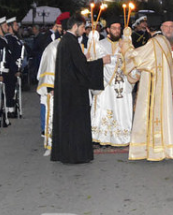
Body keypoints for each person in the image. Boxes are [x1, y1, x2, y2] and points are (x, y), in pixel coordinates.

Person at [52, 14, 108, 164]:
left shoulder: (67, 41)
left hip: (69, 89)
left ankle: (69, 153)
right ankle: (75, 155)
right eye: (83, 27)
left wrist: (85, 59)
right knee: (75, 124)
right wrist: (100, 62)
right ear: (75, 26)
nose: (84, 31)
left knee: (70, 123)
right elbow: (81, 68)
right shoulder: (70, 42)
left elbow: (76, 64)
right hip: (73, 92)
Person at [125, 31, 173, 161]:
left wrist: (127, 46)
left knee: (147, 115)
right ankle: (166, 148)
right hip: (163, 86)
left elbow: (136, 58)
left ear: (148, 30)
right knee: (163, 116)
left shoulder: (153, 43)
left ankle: (148, 149)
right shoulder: (165, 42)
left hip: (151, 86)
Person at [87, 18, 135, 147]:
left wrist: (121, 57)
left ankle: (121, 136)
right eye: (114, 28)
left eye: (119, 28)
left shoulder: (126, 45)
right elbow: (93, 62)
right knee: (104, 107)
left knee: (121, 109)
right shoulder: (100, 44)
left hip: (122, 84)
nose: (117, 31)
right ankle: (101, 136)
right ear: (108, 29)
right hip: (105, 85)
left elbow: (132, 61)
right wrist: (112, 60)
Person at [36, 14, 66, 156]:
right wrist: (50, 86)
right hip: (55, 86)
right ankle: (51, 143)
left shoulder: (78, 44)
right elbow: (48, 65)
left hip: (70, 87)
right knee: (52, 114)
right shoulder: (53, 46)